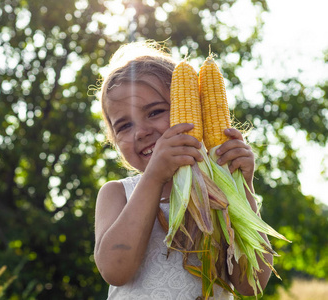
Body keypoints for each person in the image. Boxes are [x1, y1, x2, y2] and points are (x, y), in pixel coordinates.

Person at [93, 40, 273, 299]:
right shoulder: (117, 194)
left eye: (154, 112)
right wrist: (154, 177)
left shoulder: (220, 194)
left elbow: (251, 285)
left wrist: (242, 187)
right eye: (124, 126)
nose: (141, 131)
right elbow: (115, 271)